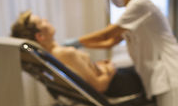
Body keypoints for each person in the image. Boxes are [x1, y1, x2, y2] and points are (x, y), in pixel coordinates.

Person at [11, 10, 143, 97]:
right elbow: (99, 86)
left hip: (114, 79)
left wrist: (100, 66)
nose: (46, 19)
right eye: (42, 21)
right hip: (117, 84)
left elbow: (85, 74)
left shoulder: (54, 54)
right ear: (40, 36)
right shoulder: (67, 53)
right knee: (150, 72)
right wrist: (111, 68)